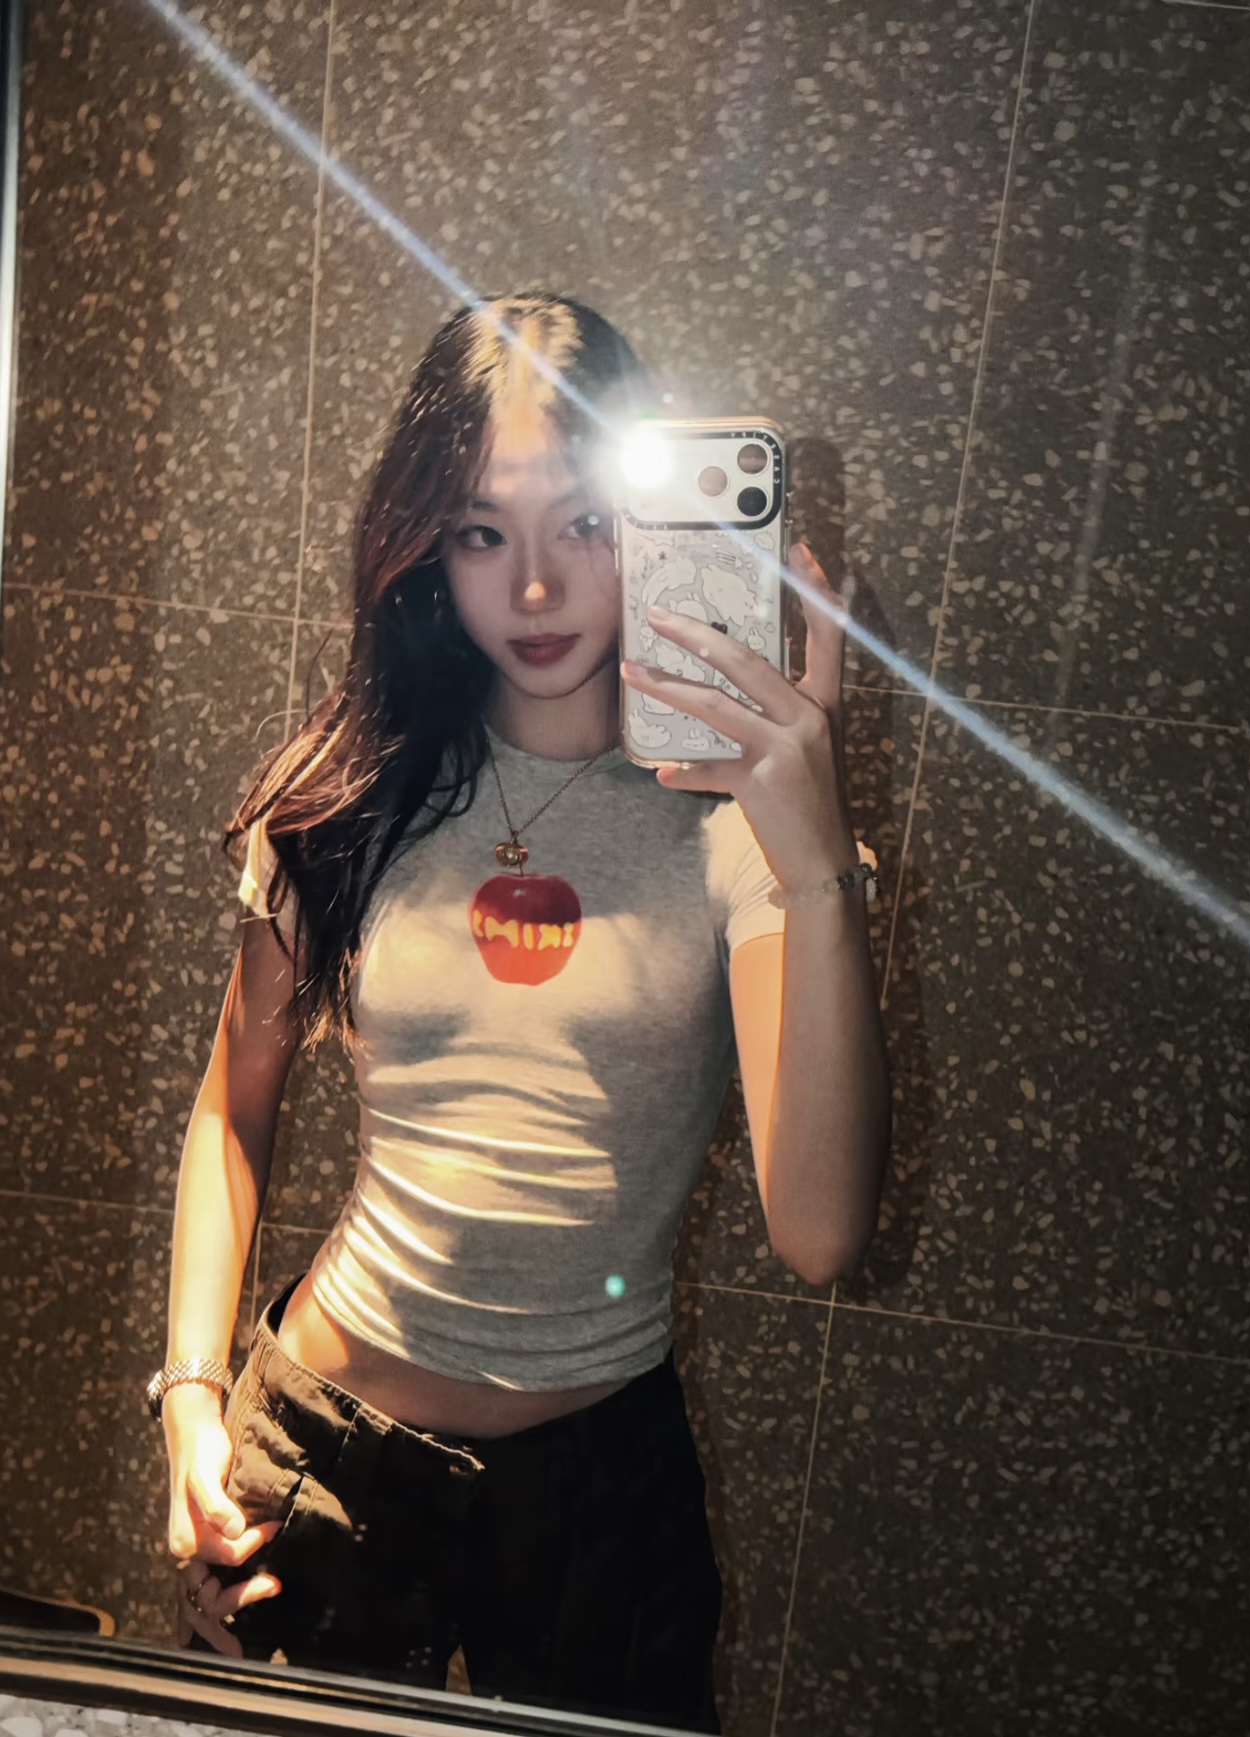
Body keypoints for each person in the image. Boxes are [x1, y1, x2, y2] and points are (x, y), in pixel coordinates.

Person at [153, 291, 890, 1733]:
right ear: (427, 544)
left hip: (598, 1494)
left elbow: (819, 1233)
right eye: (484, 532)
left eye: (585, 525)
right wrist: (190, 1395)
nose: (537, 588)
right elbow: (231, 1103)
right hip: (320, 1456)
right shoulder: (350, 793)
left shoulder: (739, 824)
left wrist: (814, 856)